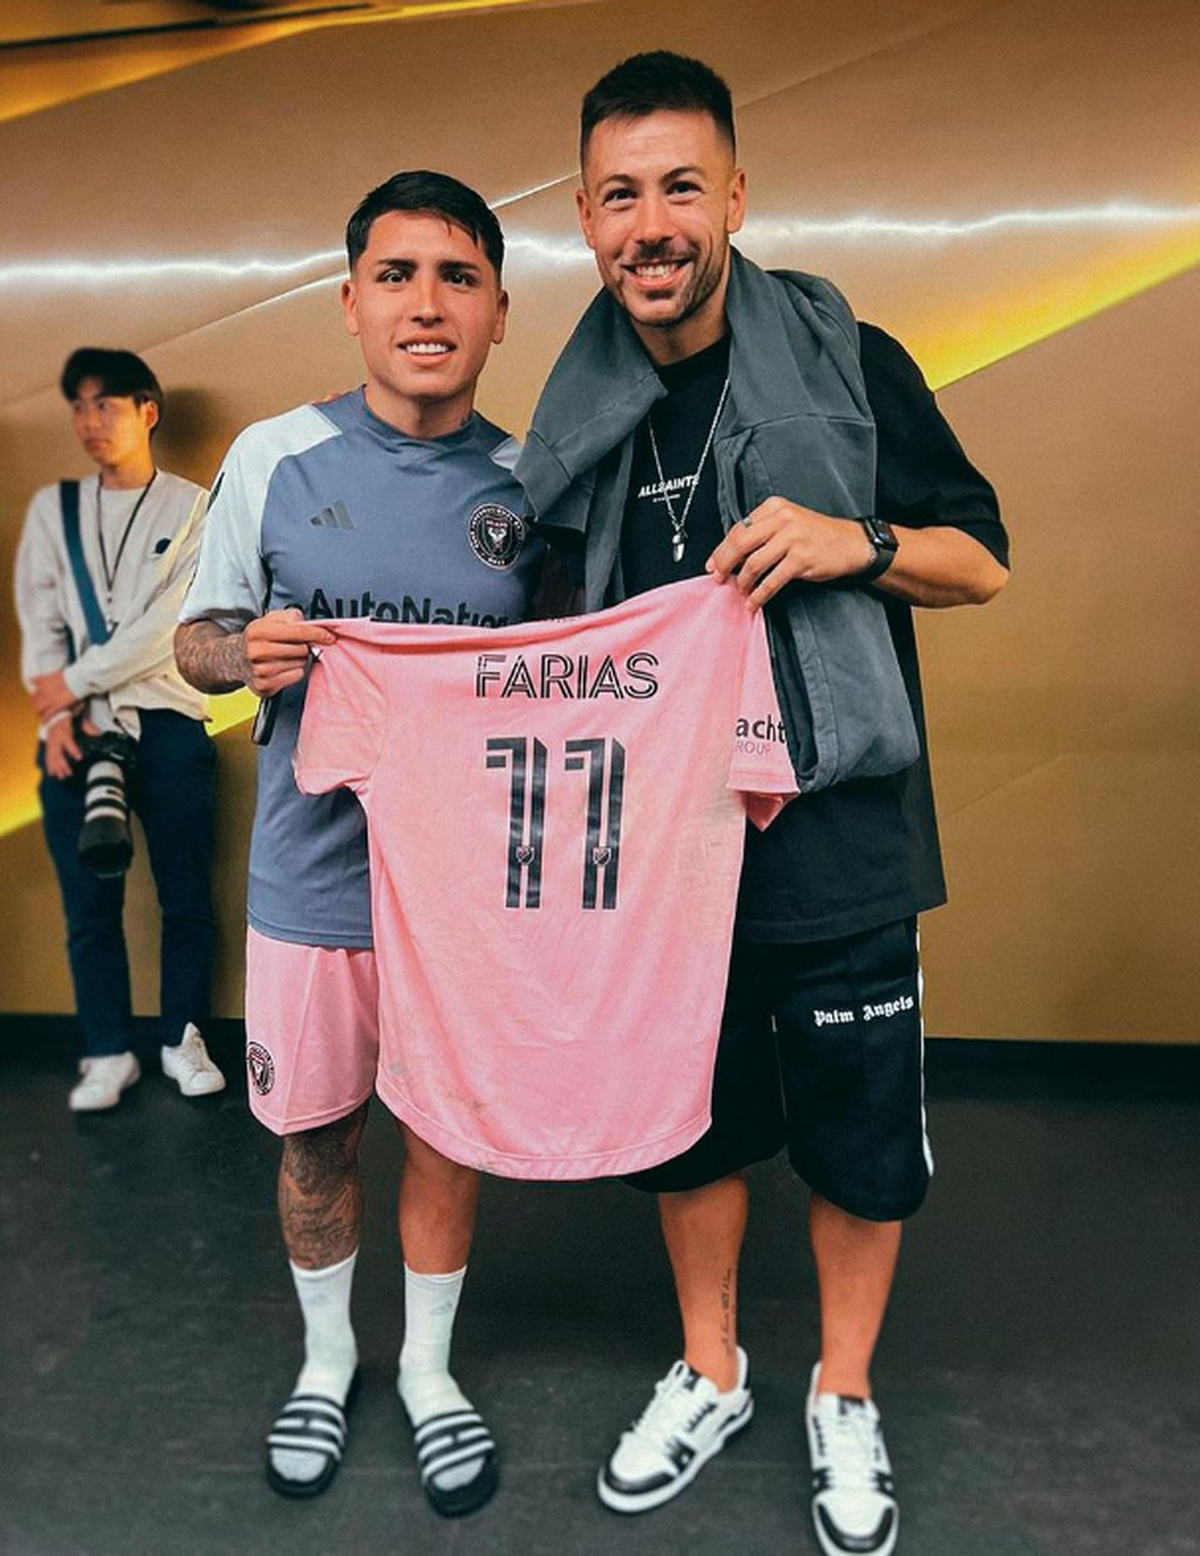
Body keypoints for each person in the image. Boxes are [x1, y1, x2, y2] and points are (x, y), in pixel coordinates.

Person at [516, 52, 1009, 1556]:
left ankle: (840, 1392)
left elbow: (981, 559)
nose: (650, 222)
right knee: (693, 1133)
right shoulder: (572, 421)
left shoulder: (847, 354)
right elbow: (540, 652)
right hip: (666, 857)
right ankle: (713, 1367)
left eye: (680, 185)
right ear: (586, 223)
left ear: (735, 193)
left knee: (862, 1147)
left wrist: (855, 536)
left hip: (845, 831)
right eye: (618, 194)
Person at [174, 171, 543, 1515]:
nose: (426, 302)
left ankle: (431, 1374)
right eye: (396, 274)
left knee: (444, 1141)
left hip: (465, 901)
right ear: (349, 303)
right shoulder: (275, 457)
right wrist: (242, 649)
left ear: (501, 309)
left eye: (458, 276)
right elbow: (194, 643)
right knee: (316, 1141)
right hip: (312, 882)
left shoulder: (533, 484)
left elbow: (574, 676)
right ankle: (329, 1364)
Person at [15, 348, 224, 1113]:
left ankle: (184, 1038)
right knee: (87, 903)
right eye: (79, 406)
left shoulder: (192, 507)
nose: (89, 421)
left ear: (148, 410)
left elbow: (172, 626)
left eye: (106, 404)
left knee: (185, 892)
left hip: (169, 718)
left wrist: (70, 681)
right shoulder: (55, 512)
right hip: (75, 731)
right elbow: (37, 617)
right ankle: (106, 1050)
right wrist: (59, 713)